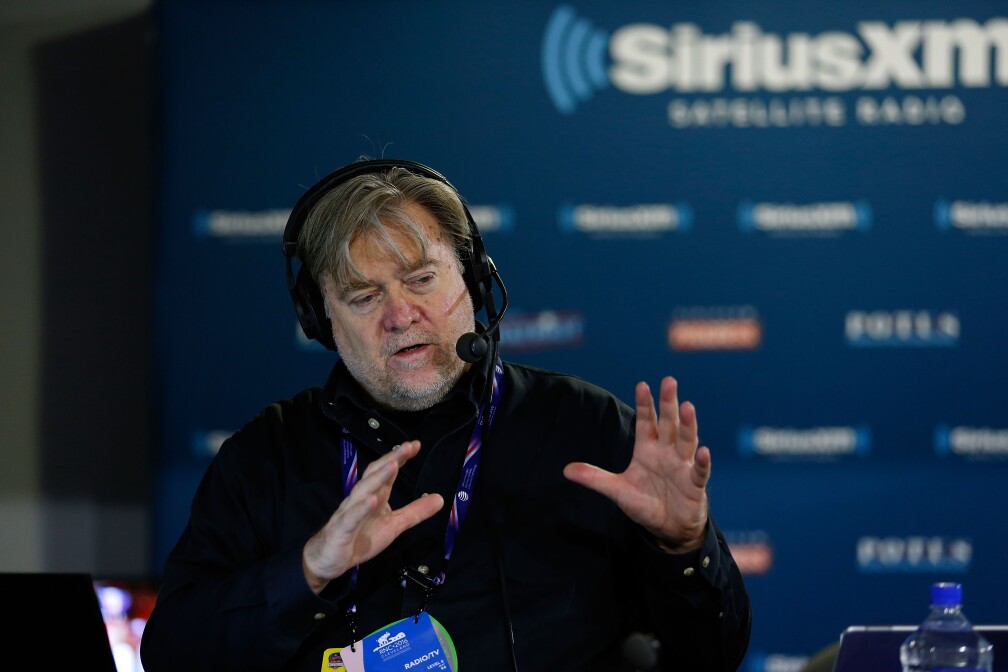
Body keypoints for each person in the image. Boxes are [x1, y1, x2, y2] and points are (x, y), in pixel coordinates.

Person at [140, 158, 752, 672]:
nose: (400, 314)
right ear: (321, 320)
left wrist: (684, 547)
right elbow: (170, 654)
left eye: (421, 278)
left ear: (474, 281)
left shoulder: (584, 425)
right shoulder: (264, 458)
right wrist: (307, 572)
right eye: (363, 296)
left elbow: (712, 654)